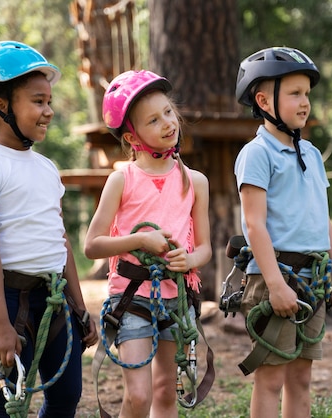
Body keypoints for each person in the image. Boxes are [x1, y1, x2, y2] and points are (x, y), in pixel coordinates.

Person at [0, 40, 98, 417]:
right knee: (8, 401)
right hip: (10, 299)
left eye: (49, 101)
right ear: (0, 106)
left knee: (66, 396)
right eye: (38, 101)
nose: (49, 111)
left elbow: (60, 239)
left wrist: (80, 309)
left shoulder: (47, 168)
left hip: (54, 298)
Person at [233, 46, 332, 418]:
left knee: (301, 378)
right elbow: (254, 224)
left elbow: (324, 222)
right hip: (276, 279)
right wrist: (275, 285)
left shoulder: (313, 155)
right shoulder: (257, 154)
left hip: (312, 282)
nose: (305, 103)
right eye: (295, 93)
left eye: (308, 95)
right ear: (264, 100)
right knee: (271, 380)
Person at [84, 70, 212, 418]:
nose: (167, 123)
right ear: (132, 135)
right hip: (131, 295)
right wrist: (141, 239)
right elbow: (92, 245)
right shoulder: (121, 178)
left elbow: (205, 249)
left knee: (164, 394)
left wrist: (189, 260)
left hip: (176, 298)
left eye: (168, 112)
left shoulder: (195, 181)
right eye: (153, 120)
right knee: (139, 397)